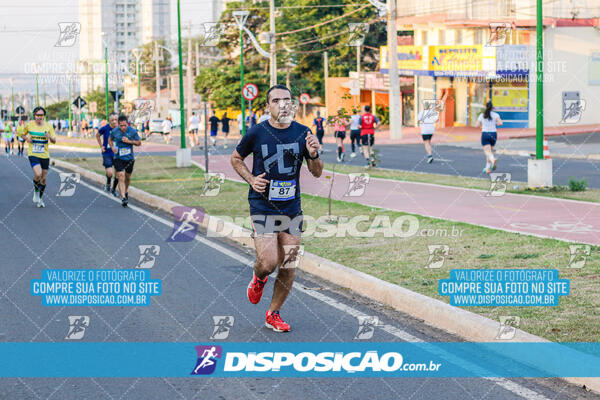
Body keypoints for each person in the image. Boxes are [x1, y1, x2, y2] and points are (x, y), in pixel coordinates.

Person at [230, 84, 323, 333]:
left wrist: (313, 154)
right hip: (262, 205)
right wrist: (251, 179)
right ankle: (259, 277)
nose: (282, 104)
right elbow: (236, 158)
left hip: (291, 207)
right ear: (268, 106)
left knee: (289, 263)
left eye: (287, 100)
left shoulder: (303, 133)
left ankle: (273, 313)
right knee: (269, 261)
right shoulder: (257, 132)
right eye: (276, 100)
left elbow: (316, 173)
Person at [21, 106, 56, 208]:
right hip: (33, 154)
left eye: (41, 115)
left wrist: (49, 137)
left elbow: (54, 141)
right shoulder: (29, 125)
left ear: (44, 116)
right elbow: (22, 134)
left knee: (44, 179)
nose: (40, 117)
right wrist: (27, 138)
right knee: (38, 173)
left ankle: (40, 199)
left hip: (45, 155)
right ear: (34, 116)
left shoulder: (49, 126)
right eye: (38, 115)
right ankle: (36, 191)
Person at [109, 115, 141, 207]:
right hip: (118, 157)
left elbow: (139, 143)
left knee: (127, 177)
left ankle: (126, 191)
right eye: (121, 125)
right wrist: (112, 148)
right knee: (121, 175)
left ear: (127, 124)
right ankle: (123, 197)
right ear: (118, 125)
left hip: (129, 158)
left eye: (125, 125)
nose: (123, 127)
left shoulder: (132, 131)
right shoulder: (115, 131)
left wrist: (129, 141)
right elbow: (110, 139)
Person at [96, 112, 119, 195]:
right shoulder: (105, 128)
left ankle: (114, 189)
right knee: (109, 172)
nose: (114, 121)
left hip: (118, 154)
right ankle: (108, 182)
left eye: (116, 120)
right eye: (112, 120)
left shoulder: (121, 128)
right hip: (107, 153)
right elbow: (97, 135)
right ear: (109, 120)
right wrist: (101, 146)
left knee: (118, 174)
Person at [477, 101, 503, 174]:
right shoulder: (496, 115)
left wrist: (482, 126)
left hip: (485, 133)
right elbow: (501, 123)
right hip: (493, 134)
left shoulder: (482, 115)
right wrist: (494, 124)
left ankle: (493, 160)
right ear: (492, 108)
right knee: (490, 152)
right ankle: (487, 168)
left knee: (487, 152)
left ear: (485, 107)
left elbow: (477, 125)